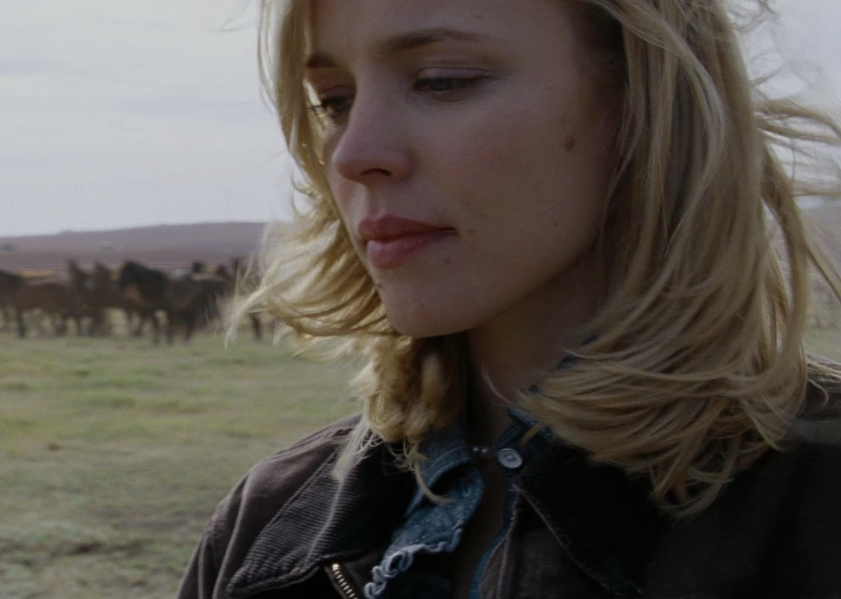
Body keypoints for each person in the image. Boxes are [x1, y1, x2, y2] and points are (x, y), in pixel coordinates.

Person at [179, 0, 841, 597]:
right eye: (333, 101)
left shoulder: (816, 501)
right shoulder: (267, 522)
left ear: (646, 98)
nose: (353, 153)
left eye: (442, 79)